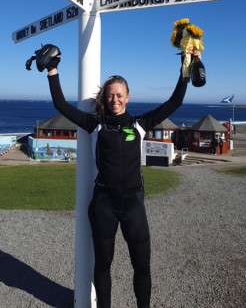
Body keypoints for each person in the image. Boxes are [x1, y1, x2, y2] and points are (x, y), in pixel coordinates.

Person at [35, 45, 201, 308]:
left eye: (120, 95)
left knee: (142, 266)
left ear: (128, 97)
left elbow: (174, 102)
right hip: (104, 204)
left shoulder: (140, 125)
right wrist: (52, 70)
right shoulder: (94, 124)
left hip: (134, 203)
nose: (115, 100)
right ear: (105, 97)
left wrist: (186, 68)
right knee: (102, 265)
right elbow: (60, 104)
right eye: (111, 95)